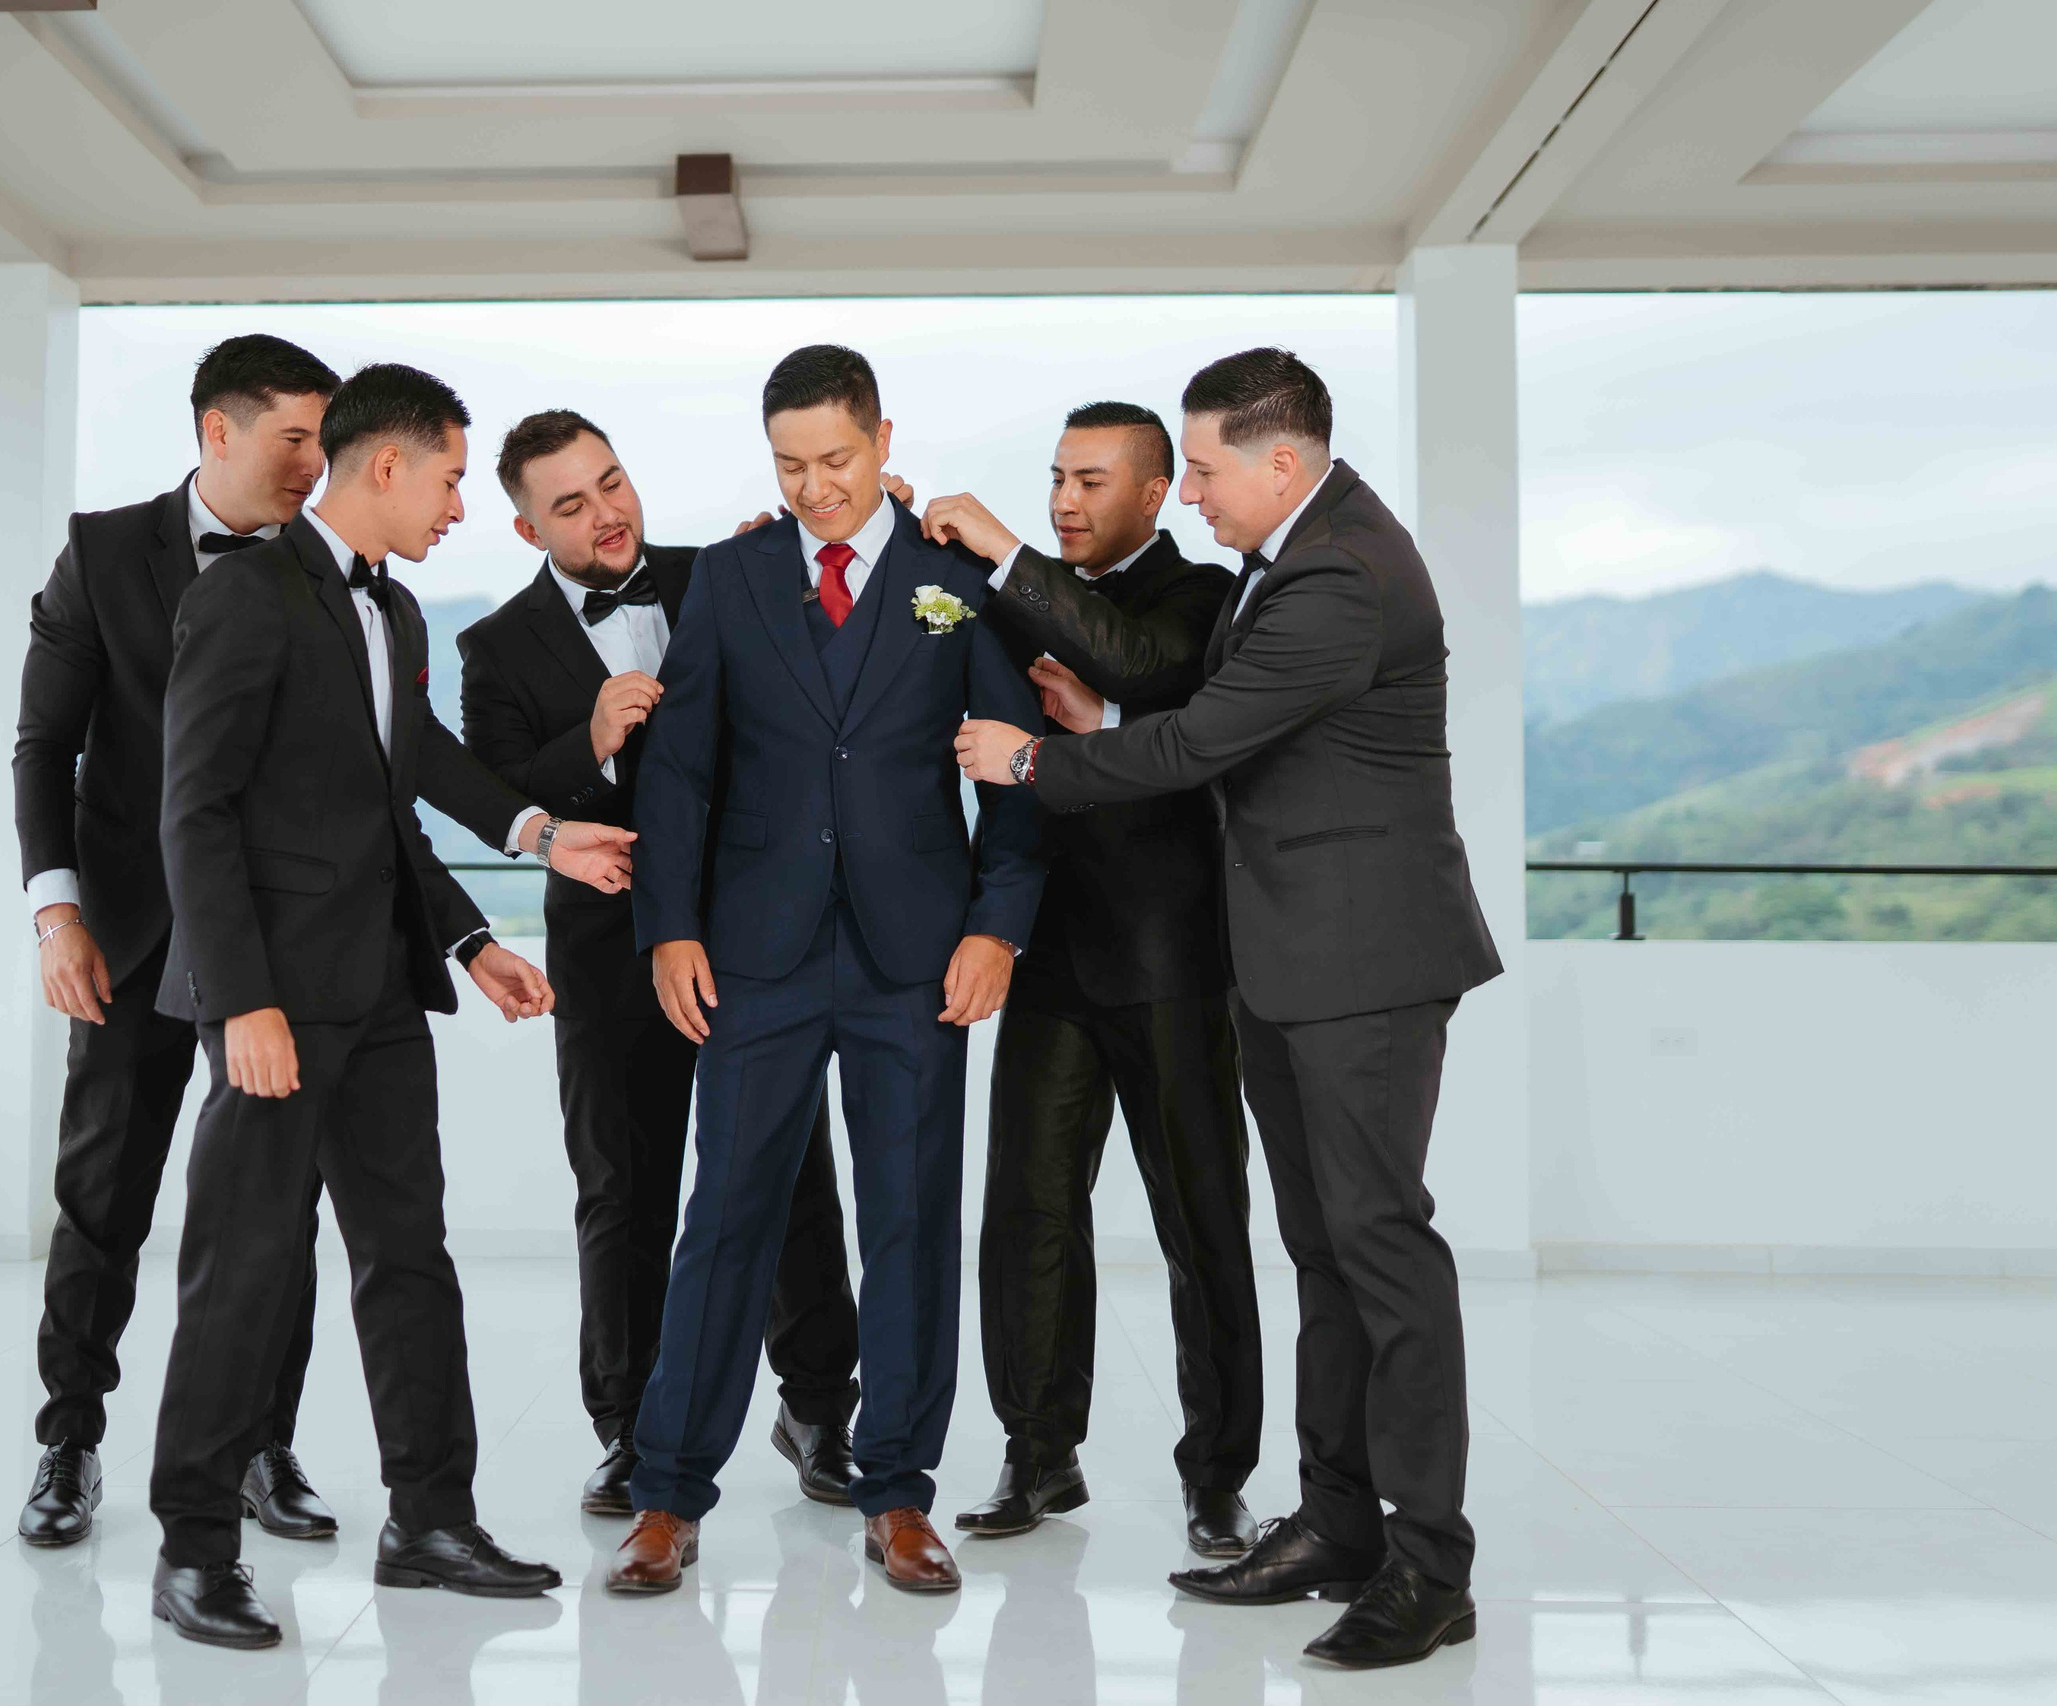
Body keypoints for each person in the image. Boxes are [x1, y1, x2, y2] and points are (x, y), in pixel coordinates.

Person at [949, 347, 1502, 1670]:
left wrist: (1039, 755)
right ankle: (1336, 1521)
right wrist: (1107, 714)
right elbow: (1219, 730)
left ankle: (1431, 1564)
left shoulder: (1337, 572)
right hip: (1296, 958)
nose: (1192, 492)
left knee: (1383, 1253)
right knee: (1324, 1252)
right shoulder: (1298, 555)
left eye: (1200, 468)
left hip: (1361, 963)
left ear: (1282, 464)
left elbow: (1203, 739)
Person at [144, 363, 635, 1648]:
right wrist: (239, 1001)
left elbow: (400, 785)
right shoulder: (243, 595)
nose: (461, 505)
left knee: (409, 1258)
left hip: (376, 996)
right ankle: (194, 1544)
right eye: (454, 477)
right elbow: (190, 810)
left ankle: (429, 1516)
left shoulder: (395, 614)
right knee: (241, 1267)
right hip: (272, 1009)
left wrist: (505, 890)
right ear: (385, 467)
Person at [607, 345, 1044, 1598]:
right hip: (754, 954)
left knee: (911, 1221)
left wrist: (996, 924)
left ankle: (897, 1492)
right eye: (790, 466)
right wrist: (670, 926)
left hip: (919, 957)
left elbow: (1010, 763)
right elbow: (681, 769)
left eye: (836, 461)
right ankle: (667, 1492)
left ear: (883, 437)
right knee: (725, 1218)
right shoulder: (733, 577)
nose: (814, 489)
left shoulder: (955, 578)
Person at [456, 410, 865, 1516]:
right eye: (572, 504)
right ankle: (627, 1427)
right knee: (622, 1189)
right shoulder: (492, 647)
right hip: (603, 955)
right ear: (526, 524)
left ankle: (821, 1406)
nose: (606, 513)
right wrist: (586, 741)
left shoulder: (724, 574)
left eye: (613, 483)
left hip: (750, 941)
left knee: (790, 1175)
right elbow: (493, 794)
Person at [10, 334, 343, 1549]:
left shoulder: (326, 567)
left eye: (325, 438)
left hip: (281, 942)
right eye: (293, 438)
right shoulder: (105, 550)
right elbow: (46, 744)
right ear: (217, 430)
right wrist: (58, 912)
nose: (316, 463)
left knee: (275, 1203)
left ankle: (261, 1441)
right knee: (103, 1193)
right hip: (132, 931)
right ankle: (67, 1443)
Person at [919, 403, 1264, 1557]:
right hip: (1047, 949)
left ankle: (1217, 1473)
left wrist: (1089, 712)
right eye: (1056, 477)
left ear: (1157, 491)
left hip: (1173, 956)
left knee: (1199, 1218)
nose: (1066, 499)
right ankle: (1036, 1451)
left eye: (1093, 480)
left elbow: (1144, 668)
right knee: (1025, 1210)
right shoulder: (1017, 596)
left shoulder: (1202, 599)